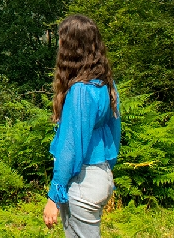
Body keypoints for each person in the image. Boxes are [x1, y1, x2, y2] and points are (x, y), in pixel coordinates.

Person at [43, 14, 121, 237]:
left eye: (61, 39)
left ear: (70, 46)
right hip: (101, 174)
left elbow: (70, 148)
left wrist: (53, 196)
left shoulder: (80, 91)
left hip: (82, 184)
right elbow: (115, 131)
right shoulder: (106, 83)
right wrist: (106, 170)